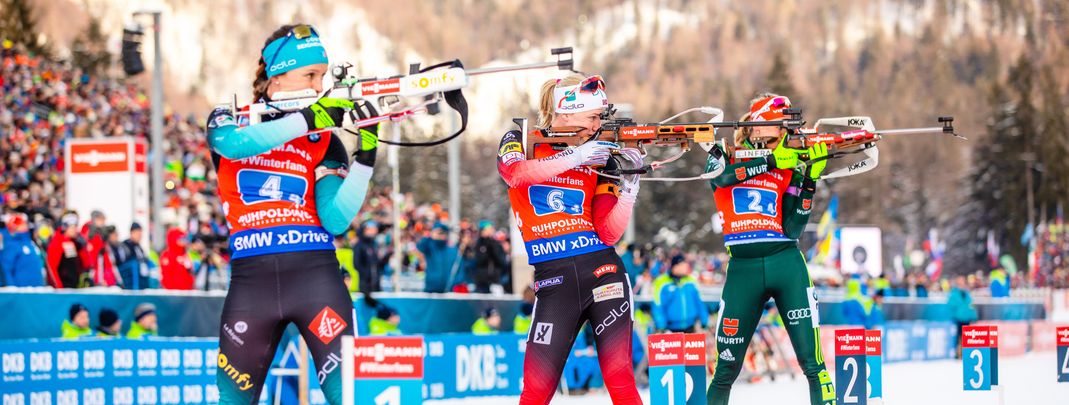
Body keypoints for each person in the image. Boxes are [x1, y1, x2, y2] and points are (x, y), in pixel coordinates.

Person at [205, 24, 379, 404]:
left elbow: (334, 219)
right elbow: (233, 146)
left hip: (316, 279)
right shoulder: (229, 117)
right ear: (277, 76)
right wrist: (308, 119)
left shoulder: (323, 139)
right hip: (252, 285)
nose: (319, 87)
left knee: (351, 396)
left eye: (322, 76)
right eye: (310, 75)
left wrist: (365, 158)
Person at [498, 73, 643, 404]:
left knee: (620, 378)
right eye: (592, 116)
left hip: (602, 271)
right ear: (566, 111)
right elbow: (517, 175)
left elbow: (608, 232)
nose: (596, 125)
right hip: (554, 281)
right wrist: (576, 157)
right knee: (535, 391)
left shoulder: (600, 156)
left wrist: (630, 187)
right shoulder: (519, 137)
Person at [703, 93, 835, 405]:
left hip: (785, 263)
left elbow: (793, 229)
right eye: (781, 128)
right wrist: (771, 161)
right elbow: (720, 178)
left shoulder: (789, 163)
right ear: (759, 126)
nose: (787, 137)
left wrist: (809, 181)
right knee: (726, 368)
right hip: (743, 270)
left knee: (813, 364)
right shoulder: (724, 152)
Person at [652, 254, 710, 333]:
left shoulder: (691, 281)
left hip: (690, 327)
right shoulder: (662, 282)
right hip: (670, 329)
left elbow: (699, 302)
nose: (686, 267)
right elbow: (658, 305)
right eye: (683, 265)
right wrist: (661, 326)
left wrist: (704, 320)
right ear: (675, 266)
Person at [1, 213, 44, 286]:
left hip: (36, 288)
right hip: (21, 290)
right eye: (22, 224)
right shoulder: (11, 245)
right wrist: (11, 288)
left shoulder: (30, 243)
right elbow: (6, 269)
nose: (25, 226)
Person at [46, 213, 88, 288]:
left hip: (75, 286)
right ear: (65, 228)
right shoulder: (57, 242)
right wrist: (59, 287)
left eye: (76, 227)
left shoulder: (75, 242)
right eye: (73, 227)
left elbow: (86, 264)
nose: (76, 230)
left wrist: (83, 248)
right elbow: (52, 267)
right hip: (63, 288)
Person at [417, 223, 459, 293]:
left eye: (443, 233)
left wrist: (455, 284)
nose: (441, 235)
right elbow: (420, 246)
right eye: (439, 233)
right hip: (431, 287)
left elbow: (457, 267)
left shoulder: (452, 249)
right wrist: (431, 236)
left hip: (448, 287)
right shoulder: (430, 246)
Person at [471, 220, 508, 293]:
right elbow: (478, 261)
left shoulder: (496, 244)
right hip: (481, 281)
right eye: (488, 229)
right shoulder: (478, 244)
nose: (491, 231)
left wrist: (493, 247)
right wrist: (486, 248)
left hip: (495, 279)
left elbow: (501, 260)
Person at [947, 276, 978, 358]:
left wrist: (973, 317)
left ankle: (965, 354)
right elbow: (951, 305)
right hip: (958, 318)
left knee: (966, 338)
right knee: (958, 337)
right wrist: (954, 315)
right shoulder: (954, 293)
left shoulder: (967, 294)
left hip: (967, 318)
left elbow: (971, 306)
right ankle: (958, 353)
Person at [117, 222, 153, 290]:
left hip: (140, 281)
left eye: (141, 234)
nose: (140, 236)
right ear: (132, 233)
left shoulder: (139, 247)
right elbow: (123, 262)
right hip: (130, 281)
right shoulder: (125, 245)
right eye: (138, 234)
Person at [353, 220, 384, 293]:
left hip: (375, 285)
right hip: (365, 286)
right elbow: (357, 264)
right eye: (372, 229)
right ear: (365, 230)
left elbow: (377, 264)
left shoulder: (373, 244)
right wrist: (367, 276)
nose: (375, 231)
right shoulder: (359, 245)